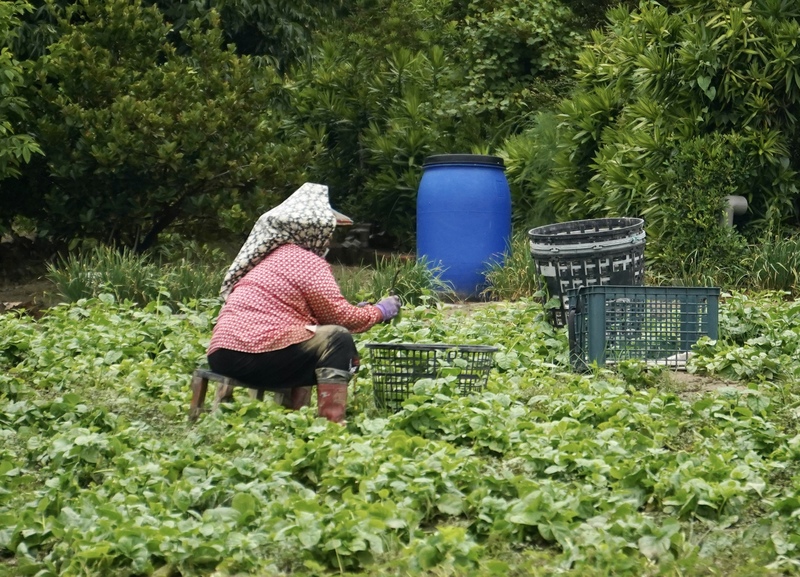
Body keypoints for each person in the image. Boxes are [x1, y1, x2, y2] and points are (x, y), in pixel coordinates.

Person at [206, 182, 401, 423]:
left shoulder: (266, 259)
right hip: (255, 355)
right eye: (328, 232)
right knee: (337, 339)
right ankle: (331, 422)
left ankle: (294, 417)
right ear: (313, 232)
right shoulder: (306, 261)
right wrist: (380, 311)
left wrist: (361, 310)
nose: (328, 240)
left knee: (307, 336)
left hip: (221, 356)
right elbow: (340, 318)